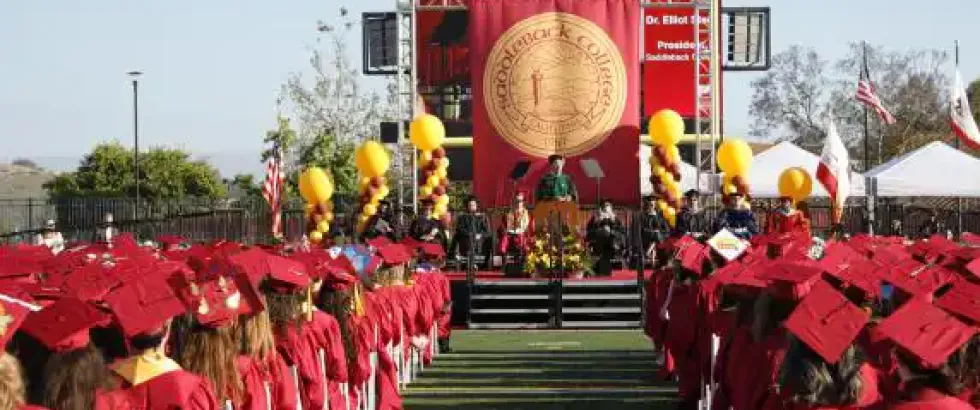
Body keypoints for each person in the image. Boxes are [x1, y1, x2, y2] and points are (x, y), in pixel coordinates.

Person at [449, 196, 492, 270]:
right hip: (466, 239)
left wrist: (480, 235)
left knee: (489, 238)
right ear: (467, 207)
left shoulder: (483, 217)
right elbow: (460, 229)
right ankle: (472, 263)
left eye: (473, 205)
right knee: (466, 239)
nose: (471, 207)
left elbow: (487, 231)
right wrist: (470, 235)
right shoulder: (462, 217)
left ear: (476, 206)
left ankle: (476, 264)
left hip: (480, 240)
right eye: (470, 205)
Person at [586, 199, 625, 276]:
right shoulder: (595, 219)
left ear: (611, 208)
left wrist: (611, 231)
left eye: (607, 206)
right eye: (603, 206)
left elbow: (621, 233)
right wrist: (598, 225)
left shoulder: (616, 220)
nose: (605, 208)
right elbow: (589, 233)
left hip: (612, 245)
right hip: (598, 244)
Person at [635, 195, 670, 265]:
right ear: (647, 204)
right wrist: (650, 231)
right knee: (655, 238)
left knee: (656, 236)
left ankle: (649, 254)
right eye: (650, 203)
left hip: (658, 235)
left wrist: (658, 230)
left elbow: (664, 226)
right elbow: (641, 227)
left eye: (653, 203)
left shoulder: (659, 214)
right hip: (646, 235)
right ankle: (652, 260)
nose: (652, 204)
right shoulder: (643, 215)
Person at [498, 192, 531, 261]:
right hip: (510, 233)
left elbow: (525, 226)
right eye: (517, 201)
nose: (519, 203)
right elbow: (507, 225)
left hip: (521, 233)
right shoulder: (510, 212)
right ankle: (504, 256)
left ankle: (521, 258)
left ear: (523, 202)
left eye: (520, 201)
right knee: (505, 238)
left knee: (521, 239)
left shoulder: (526, 212)